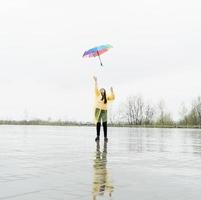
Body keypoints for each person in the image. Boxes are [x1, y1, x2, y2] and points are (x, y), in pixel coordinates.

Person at [93, 76, 115, 142]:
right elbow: (96, 88)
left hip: (104, 111)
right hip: (98, 110)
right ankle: (98, 136)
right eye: (101, 90)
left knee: (105, 123)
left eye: (103, 90)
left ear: (104, 91)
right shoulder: (98, 95)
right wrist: (96, 81)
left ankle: (105, 137)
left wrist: (112, 91)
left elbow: (113, 97)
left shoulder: (107, 96)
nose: (102, 90)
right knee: (98, 123)